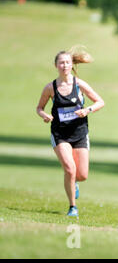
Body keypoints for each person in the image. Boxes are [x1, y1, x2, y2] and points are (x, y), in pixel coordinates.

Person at [36, 46, 105, 218]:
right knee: (69, 168)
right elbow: (39, 108)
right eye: (61, 63)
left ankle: (74, 183)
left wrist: (87, 110)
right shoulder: (50, 87)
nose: (64, 65)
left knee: (82, 175)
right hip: (60, 134)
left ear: (71, 64)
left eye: (67, 62)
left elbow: (100, 101)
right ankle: (72, 207)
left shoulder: (79, 84)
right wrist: (44, 115)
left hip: (80, 132)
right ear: (56, 65)